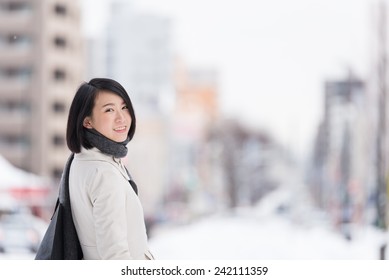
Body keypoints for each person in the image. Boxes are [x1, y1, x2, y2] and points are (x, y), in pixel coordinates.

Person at [66, 78, 154, 260]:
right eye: (109, 110)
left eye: (124, 107)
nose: (122, 118)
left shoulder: (80, 161)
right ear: (87, 121)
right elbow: (115, 255)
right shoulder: (105, 174)